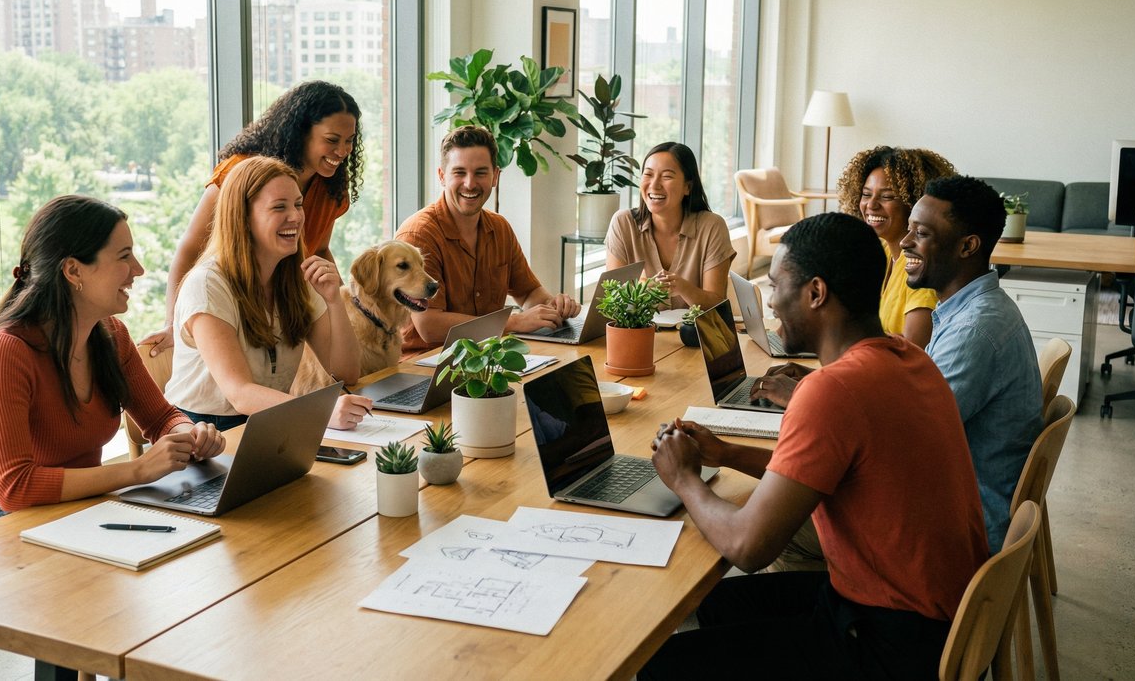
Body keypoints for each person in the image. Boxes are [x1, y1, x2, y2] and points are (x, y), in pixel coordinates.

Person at [641, 213, 987, 680]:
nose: (770, 301)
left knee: (661, 665)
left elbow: (748, 547)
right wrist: (726, 454)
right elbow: (832, 472)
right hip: (936, 614)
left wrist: (683, 478)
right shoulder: (906, 358)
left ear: (816, 293)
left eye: (776, 284)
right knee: (717, 605)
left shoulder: (834, 391)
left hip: (893, 642)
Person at [0, 196, 225, 527]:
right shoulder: (5, 352)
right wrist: (137, 470)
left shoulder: (112, 335)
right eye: (124, 256)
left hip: (80, 506)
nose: (138, 270)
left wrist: (190, 434)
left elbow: (160, 418)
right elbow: (14, 487)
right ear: (74, 270)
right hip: (5, 519)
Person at [141, 80, 364, 355]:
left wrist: (342, 309)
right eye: (332, 140)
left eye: (349, 141)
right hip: (230, 307)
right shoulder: (242, 171)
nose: (342, 151)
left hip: (282, 307)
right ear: (301, 132)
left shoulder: (330, 187)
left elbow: (317, 249)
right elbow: (191, 247)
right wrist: (171, 323)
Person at [165, 156, 369, 431]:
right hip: (202, 432)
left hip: (268, 421)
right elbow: (239, 393)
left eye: (298, 204)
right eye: (279, 207)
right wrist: (321, 412)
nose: (296, 216)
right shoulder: (207, 285)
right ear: (244, 218)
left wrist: (334, 300)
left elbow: (346, 372)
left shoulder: (297, 277)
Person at [903, 175, 1044, 553]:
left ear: (968, 246)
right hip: (960, 497)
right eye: (909, 230)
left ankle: (851, 609)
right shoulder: (972, 309)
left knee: (793, 526)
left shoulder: (974, 331)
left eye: (922, 233)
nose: (905, 243)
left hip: (960, 526)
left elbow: (905, 439)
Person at [395, 126, 580, 352]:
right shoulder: (419, 235)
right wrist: (514, 322)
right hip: (425, 365)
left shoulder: (499, 228)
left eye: (480, 173)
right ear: (442, 176)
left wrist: (553, 307)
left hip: (485, 356)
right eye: (459, 172)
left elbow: (528, 293)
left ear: (495, 176)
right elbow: (429, 326)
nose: (470, 184)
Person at [837, 145, 957, 348]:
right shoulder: (880, 249)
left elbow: (911, 350)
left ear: (915, 202)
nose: (871, 205)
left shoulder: (922, 265)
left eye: (887, 196)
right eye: (866, 194)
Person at [605, 142, 736, 310]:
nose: (654, 185)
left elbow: (717, 304)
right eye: (648, 175)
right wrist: (645, 289)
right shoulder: (623, 223)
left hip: (691, 334)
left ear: (687, 187)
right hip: (638, 333)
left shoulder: (712, 227)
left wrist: (682, 287)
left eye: (666, 176)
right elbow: (612, 298)